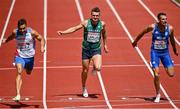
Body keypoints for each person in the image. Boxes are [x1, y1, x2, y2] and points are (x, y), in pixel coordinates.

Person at [57, 7, 109, 97]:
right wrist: (63, 32)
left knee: (98, 68)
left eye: (97, 16)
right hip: (86, 50)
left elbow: (104, 34)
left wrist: (105, 45)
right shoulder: (85, 23)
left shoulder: (102, 24)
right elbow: (74, 28)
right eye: (93, 15)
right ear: (91, 15)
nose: (95, 17)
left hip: (96, 49)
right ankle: (84, 87)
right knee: (85, 70)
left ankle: (95, 67)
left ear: (99, 16)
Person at [132, 12, 178, 103]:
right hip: (155, 53)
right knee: (156, 74)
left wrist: (175, 50)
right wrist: (135, 41)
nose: (165, 21)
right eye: (163, 19)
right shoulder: (152, 27)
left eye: (166, 19)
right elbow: (142, 32)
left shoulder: (170, 29)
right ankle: (158, 94)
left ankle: (167, 63)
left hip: (165, 53)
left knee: (171, 74)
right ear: (159, 20)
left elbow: (172, 40)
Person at [1, 18, 45, 101]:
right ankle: (18, 94)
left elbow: (42, 38)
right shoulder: (15, 32)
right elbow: (11, 36)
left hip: (30, 58)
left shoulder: (32, 33)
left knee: (28, 72)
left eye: (23, 28)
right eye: (20, 28)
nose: (22, 30)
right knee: (19, 71)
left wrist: (42, 47)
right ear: (18, 27)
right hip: (19, 55)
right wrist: (6, 40)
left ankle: (28, 67)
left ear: (26, 26)